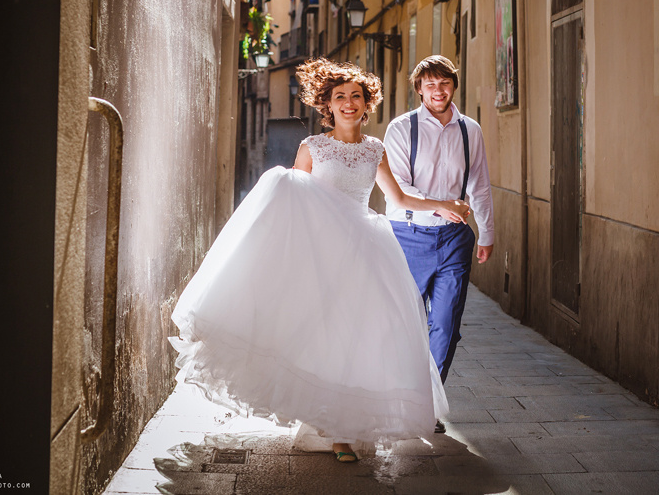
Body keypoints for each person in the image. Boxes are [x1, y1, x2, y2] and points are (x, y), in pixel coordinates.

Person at [170, 58, 465, 463]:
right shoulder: (313, 147)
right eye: (340, 97)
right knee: (319, 335)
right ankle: (321, 421)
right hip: (320, 254)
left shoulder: (375, 149)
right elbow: (291, 201)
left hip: (364, 252)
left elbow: (398, 199)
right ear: (327, 104)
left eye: (356, 97)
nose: (348, 103)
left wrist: (442, 205)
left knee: (354, 337)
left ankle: (343, 431)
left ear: (367, 104)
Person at [384, 55, 494, 433]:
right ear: (419, 89)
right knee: (405, 322)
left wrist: (488, 232)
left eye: (444, 83)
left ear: (453, 86)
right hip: (407, 235)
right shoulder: (401, 129)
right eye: (430, 84)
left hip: (455, 240)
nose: (438, 90)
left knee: (445, 323)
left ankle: (425, 407)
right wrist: (441, 209)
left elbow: (479, 182)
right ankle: (396, 396)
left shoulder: (470, 130)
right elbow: (398, 189)